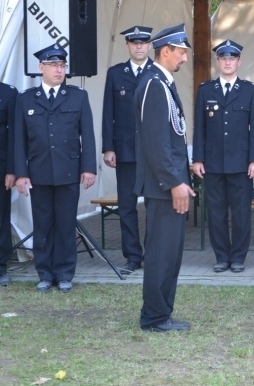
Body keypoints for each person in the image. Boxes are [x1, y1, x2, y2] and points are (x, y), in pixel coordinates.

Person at [15, 44, 96, 293]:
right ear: (41, 68)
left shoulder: (77, 96)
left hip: (68, 171)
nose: (59, 70)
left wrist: (89, 168)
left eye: (62, 65)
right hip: (39, 172)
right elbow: (18, 140)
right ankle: (45, 273)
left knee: (65, 225)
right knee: (43, 225)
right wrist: (21, 174)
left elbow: (88, 135)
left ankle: (64, 274)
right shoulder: (26, 99)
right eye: (53, 66)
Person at [135, 24, 195, 332]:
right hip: (163, 187)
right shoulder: (153, 84)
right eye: (181, 52)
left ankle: (162, 313)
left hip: (169, 184)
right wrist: (174, 183)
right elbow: (155, 143)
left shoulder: (162, 83)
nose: (184, 58)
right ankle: (155, 317)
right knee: (161, 253)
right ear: (166, 51)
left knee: (171, 253)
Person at [192, 40, 254, 273]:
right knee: (216, 213)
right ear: (218, 61)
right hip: (212, 163)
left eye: (232, 59)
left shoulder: (250, 90)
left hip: (241, 164)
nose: (228, 62)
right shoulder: (206, 90)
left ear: (239, 62)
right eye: (224, 58)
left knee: (241, 213)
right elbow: (199, 128)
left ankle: (239, 257)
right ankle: (221, 256)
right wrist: (198, 159)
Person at [102, 25, 154, 275]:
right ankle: (132, 256)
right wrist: (108, 147)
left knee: (155, 206)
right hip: (125, 151)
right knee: (126, 206)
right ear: (127, 46)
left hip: (153, 153)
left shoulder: (158, 72)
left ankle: (153, 254)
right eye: (134, 43)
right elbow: (108, 112)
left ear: (149, 45)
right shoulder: (115, 74)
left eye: (143, 43)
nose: (139, 47)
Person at [0, 82, 17, 287]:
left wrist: (12, 169)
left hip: (1, 166)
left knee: (1, 217)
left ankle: (0, 266)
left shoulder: (8, 93)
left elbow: (15, 134)